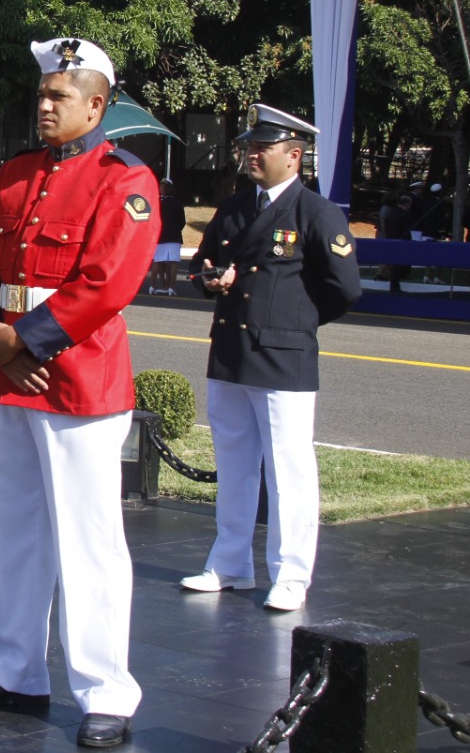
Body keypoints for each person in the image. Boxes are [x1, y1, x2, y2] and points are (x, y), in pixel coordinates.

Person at [0, 38, 157, 750]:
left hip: (76, 380)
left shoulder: (123, 179)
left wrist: (23, 341)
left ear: (96, 105)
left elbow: (108, 281)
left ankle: (106, 692)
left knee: (89, 543)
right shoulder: (17, 172)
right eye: (41, 93)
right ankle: (15, 670)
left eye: (58, 95)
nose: (43, 104)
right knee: (17, 533)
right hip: (12, 376)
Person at [181, 104, 361, 613]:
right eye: (250, 147)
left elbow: (345, 288)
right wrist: (210, 279)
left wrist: (294, 322)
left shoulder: (315, 212)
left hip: (283, 357)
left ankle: (291, 574)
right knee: (235, 464)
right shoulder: (236, 206)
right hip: (231, 351)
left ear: (294, 155)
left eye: (263, 148)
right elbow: (203, 265)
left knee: (288, 470)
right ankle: (230, 564)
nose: (252, 156)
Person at [147, 178, 186, 296]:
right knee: (173, 262)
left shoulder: (156, 203)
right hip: (174, 237)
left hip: (159, 236)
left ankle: (152, 285)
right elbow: (182, 221)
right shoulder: (178, 203)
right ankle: (171, 287)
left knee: (157, 261)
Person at [378, 192, 413, 293]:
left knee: (393, 263)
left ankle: (393, 284)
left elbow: (386, 226)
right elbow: (405, 230)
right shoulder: (403, 215)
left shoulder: (391, 213)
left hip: (391, 239)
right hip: (400, 241)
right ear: (407, 204)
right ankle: (395, 285)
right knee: (398, 265)